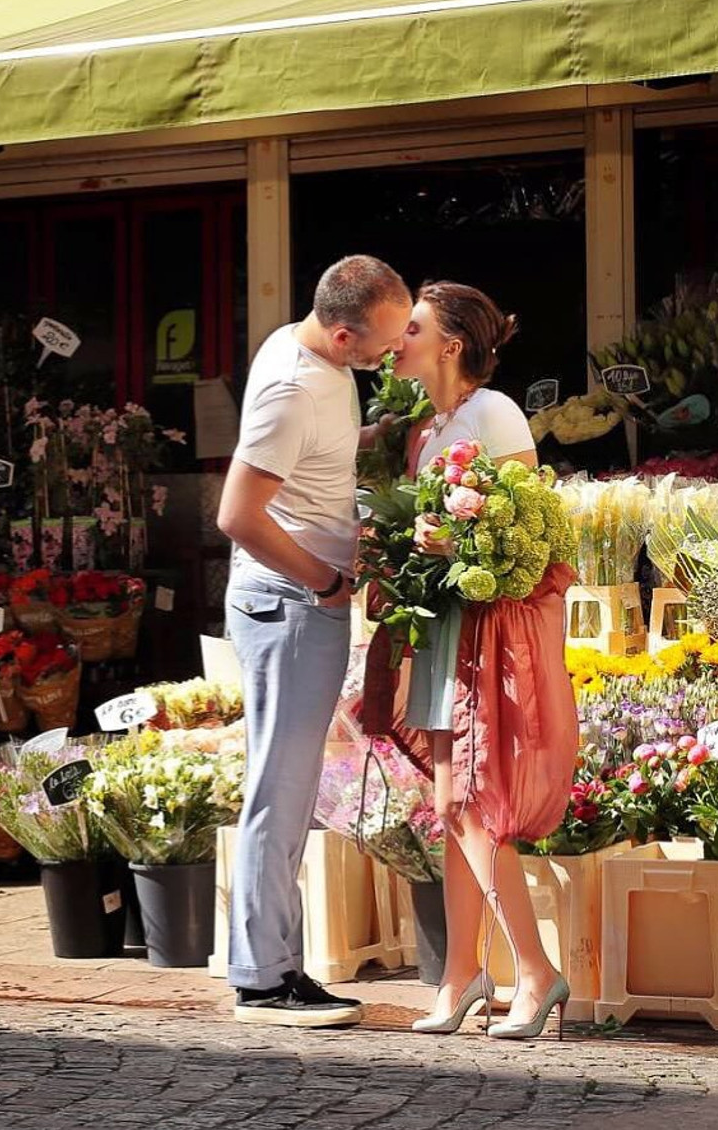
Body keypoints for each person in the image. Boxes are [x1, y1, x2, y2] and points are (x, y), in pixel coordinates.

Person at [217, 254, 412, 1028]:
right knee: (282, 789)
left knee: (288, 789)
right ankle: (263, 981)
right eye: (381, 346)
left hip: (298, 605)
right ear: (340, 333)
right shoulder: (291, 389)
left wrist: (374, 436)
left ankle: (272, 965)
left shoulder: (307, 356)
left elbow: (311, 457)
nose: (391, 357)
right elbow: (237, 514)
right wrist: (326, 582)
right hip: (290, 607)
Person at [388, 281, 579, 1040]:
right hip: (444, 627)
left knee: (473, 800)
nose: (396, 340)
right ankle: (461, 975)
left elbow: (529, 526)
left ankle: (534, 970)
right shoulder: (429, 427)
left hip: (486, 630)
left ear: (451, 344)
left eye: (411, 328)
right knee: (451, 807)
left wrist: (450, 542)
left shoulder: (492, 413)